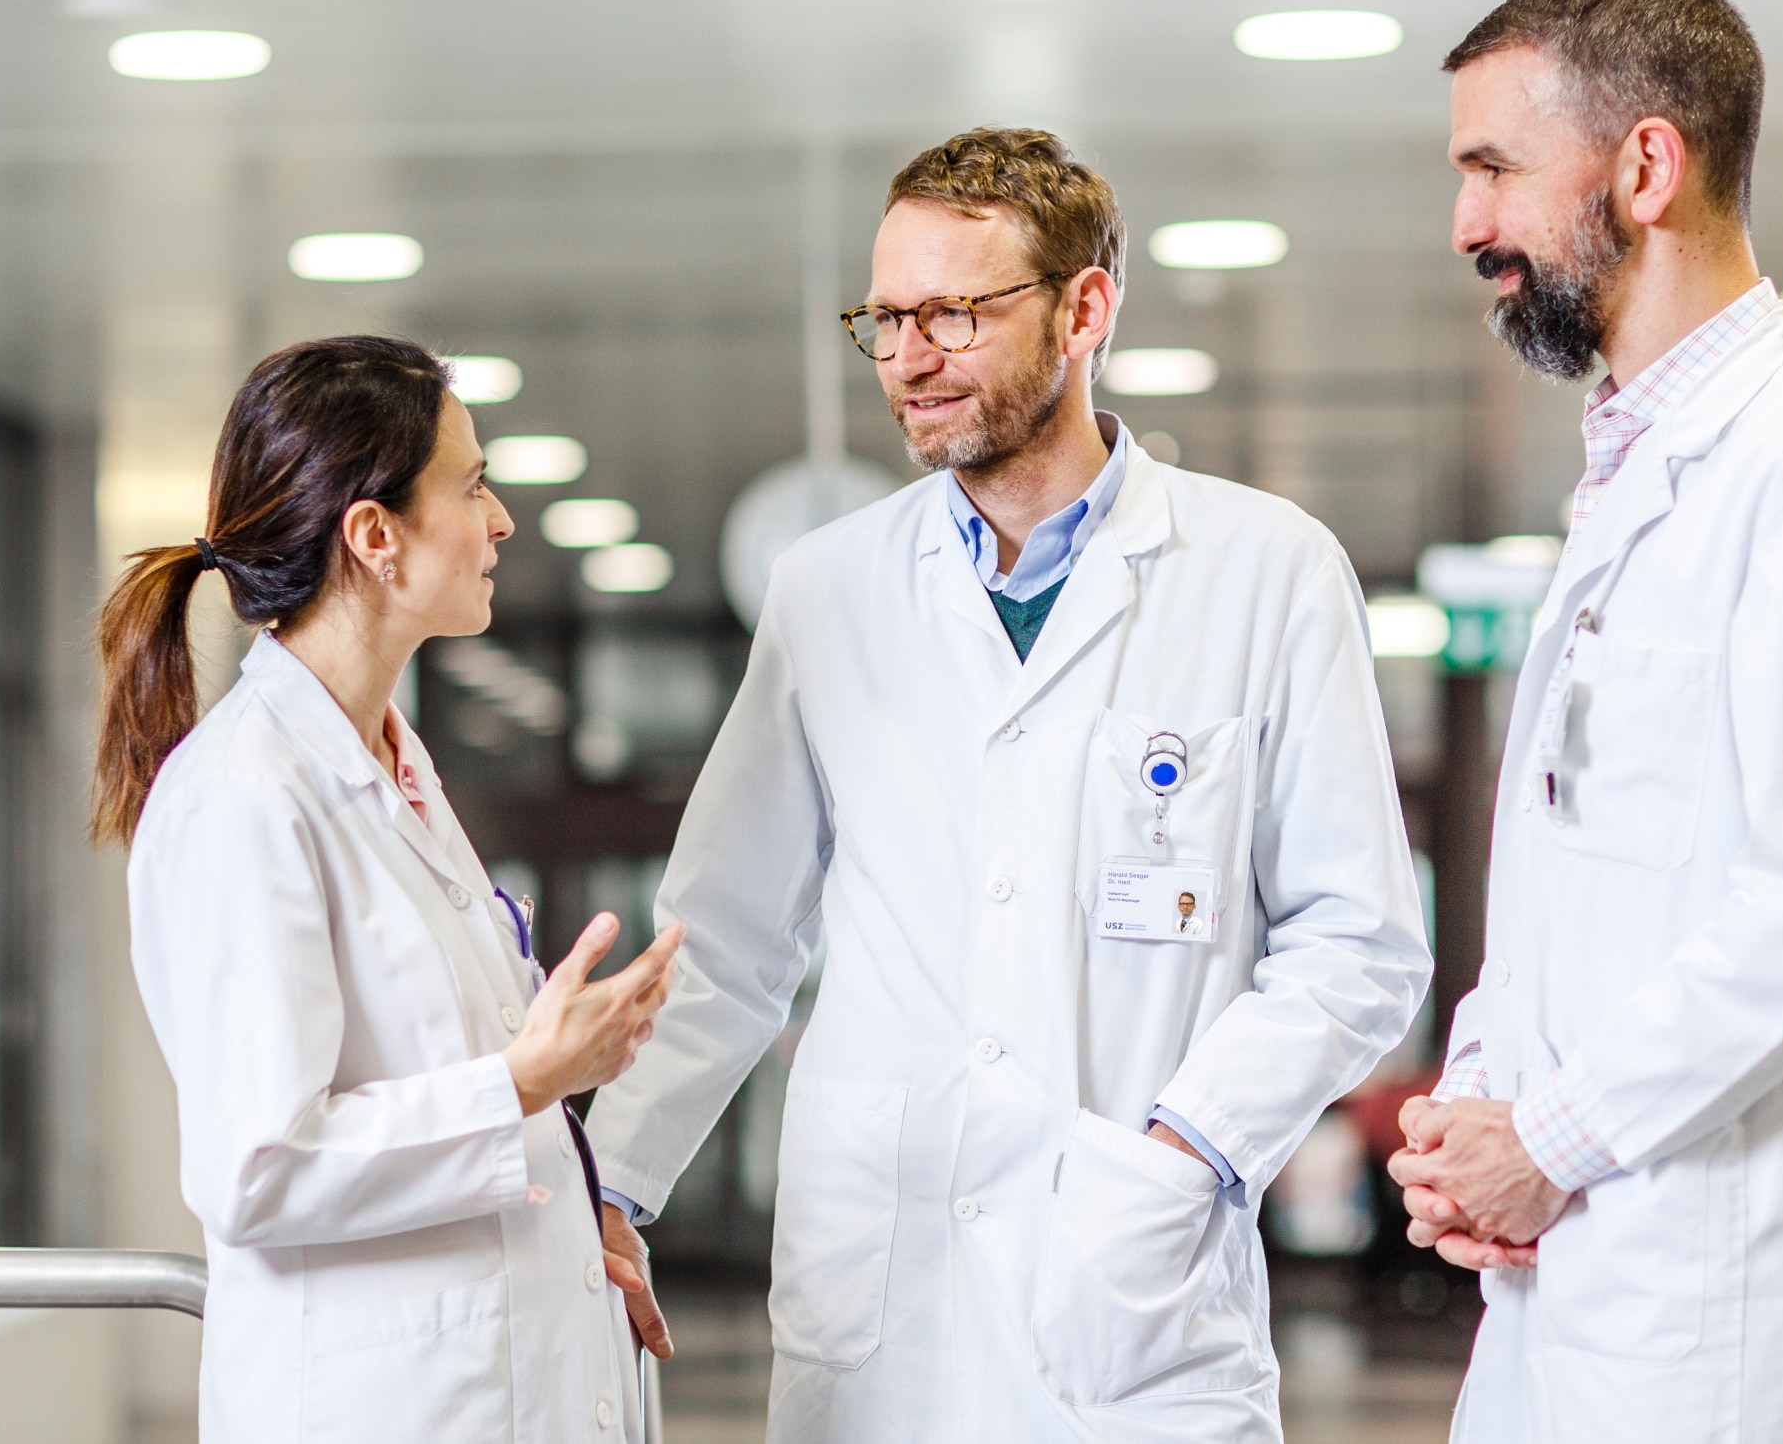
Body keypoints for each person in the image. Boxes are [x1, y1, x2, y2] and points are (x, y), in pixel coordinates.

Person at [583, 128, 1431, 1441]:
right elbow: (725, 939)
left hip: (1135, 1295)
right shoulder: (828, 589)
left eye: (954, 315)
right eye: (886, 319)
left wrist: (1187, 1146)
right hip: (881, 1295)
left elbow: (1358, 940)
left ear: (1084, 310)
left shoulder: (1266, 570)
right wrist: (613, 1182)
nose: (908, 359)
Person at [1386, 0, 1783, 1443]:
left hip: (1722, 1291)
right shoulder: (1642, 474)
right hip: (1572, 1273)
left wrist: (1548, 1140)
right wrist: (1476, 1114)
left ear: (1646, 166)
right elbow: (1584, 873)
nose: (1466, 225)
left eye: (1493, 169)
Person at [99, 336, 685, 1443]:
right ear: (374, 537)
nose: (500, 521)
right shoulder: (243, 795)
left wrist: (575, 1233)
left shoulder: (389, 769)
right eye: (471, 487)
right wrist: (527, 1079)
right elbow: (258, 1169)